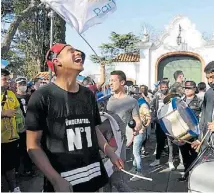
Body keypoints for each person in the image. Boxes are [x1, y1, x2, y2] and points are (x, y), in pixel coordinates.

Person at [25, 43, 123, 192]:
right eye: (71, 51)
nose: (78, 53)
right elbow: (33, 146)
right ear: (57, 61)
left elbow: (93, 130)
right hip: (64, 183)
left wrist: (110, 153)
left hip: (95, 177)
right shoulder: (41, 97)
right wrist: (55, 180)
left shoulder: (88, 95)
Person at [105, 70, 141, 192]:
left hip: (120, 145)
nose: (110, 83)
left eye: (113, 80)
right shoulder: (105, 100)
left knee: (118, 179)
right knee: (105, 181)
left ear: (122, 82)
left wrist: (136, 128)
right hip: (104, 144)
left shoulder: (132, 101)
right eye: (110, 80)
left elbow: (137, 120)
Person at [1, 69, 22, 192]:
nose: (8, 81)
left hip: (12, 137)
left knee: (11, 165)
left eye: (9, 79)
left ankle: (14, 187)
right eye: (5, 79)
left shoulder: (11, 94)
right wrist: (2, 113)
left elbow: (18, 111)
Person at [15, 76, 33, 176]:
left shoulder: (31, 97)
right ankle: (16, 170)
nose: (22, 86)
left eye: (24, 84)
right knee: (18, 150)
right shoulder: (14, 98)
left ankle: (28, 169)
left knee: (29, 149)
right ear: (16, 85)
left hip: (30, 128)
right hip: (19, 129)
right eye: (20, 84)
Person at [130, 96, 151, 181]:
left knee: (136, 153)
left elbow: (149, 119)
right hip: (135, 132)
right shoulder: (139, 106)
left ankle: (139, 172)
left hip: (139, 133)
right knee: (134, 152)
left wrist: (143, 128)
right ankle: (134, 168)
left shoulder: (143, 106)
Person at [150, 81, 169, 167]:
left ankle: (171, 161)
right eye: (163, 87)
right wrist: (154, 117)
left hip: (169, 122)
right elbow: (152, 106)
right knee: (159, 142)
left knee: (170, 142)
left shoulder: (171, 96)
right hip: (159, 122)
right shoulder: (157, 96)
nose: (164, 89)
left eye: (166, 87)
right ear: (160, 88)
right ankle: (157, 159)